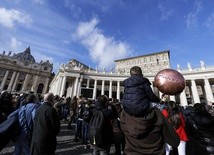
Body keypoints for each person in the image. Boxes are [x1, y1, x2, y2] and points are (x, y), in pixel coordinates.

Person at [121, 66, 180, 154]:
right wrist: (158, 101)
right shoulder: (157, 115)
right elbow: (175, 142)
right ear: (141, 74)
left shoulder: (123, 115)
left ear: (131, 75)